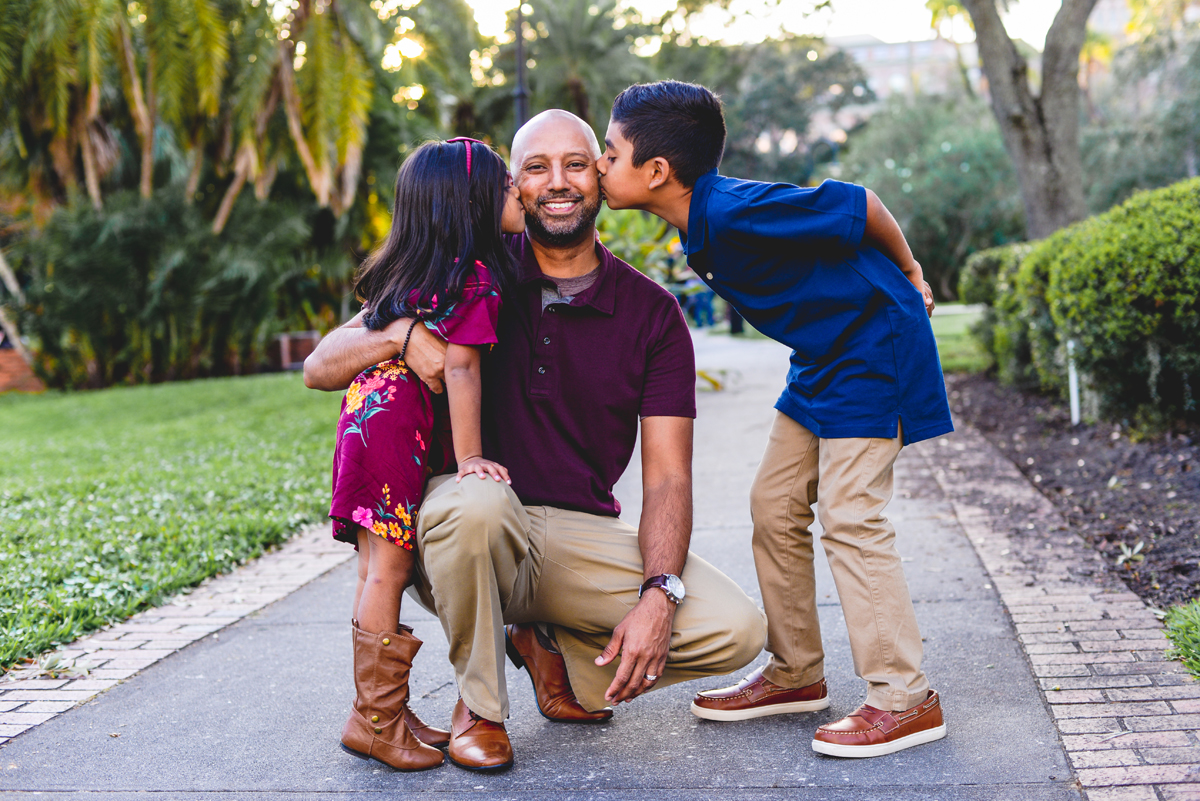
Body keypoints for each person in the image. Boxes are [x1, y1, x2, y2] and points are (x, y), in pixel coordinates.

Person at [305, 110, 766, 773]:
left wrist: (658, 594)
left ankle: (551, 645)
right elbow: (320, 364)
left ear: (602, 176)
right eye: (535, 168)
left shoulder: (652, 313)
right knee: (480, 506)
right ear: (513, 186)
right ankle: (480, 710)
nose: (558, 182)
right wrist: (401, 336)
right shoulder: (470, 271)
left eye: (577, 164)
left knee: (735, 628)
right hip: (469, 524)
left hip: (579, 533)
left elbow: (667, 478)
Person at [596, 81, 953, 759]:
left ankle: (905, 697)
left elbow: (861, 204)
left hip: (876, 345)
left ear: (656, 171)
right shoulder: (698, 224)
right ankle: (796, 672)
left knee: (850, 515)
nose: (598, 164)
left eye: (607, 153)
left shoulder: (730, 209)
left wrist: (910, 271)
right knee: (774, 503)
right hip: (823, 359)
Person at [329, 138, 526, 772]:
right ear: (471, 206)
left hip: (364, 423)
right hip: (398, 433)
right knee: (387, 572)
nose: (517, 192)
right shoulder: (473, 279)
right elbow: (462, 372)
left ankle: (378, 712)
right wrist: (469, 459)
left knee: (371, 572)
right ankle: (377, 723)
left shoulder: (405, 276)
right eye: (503, 188)